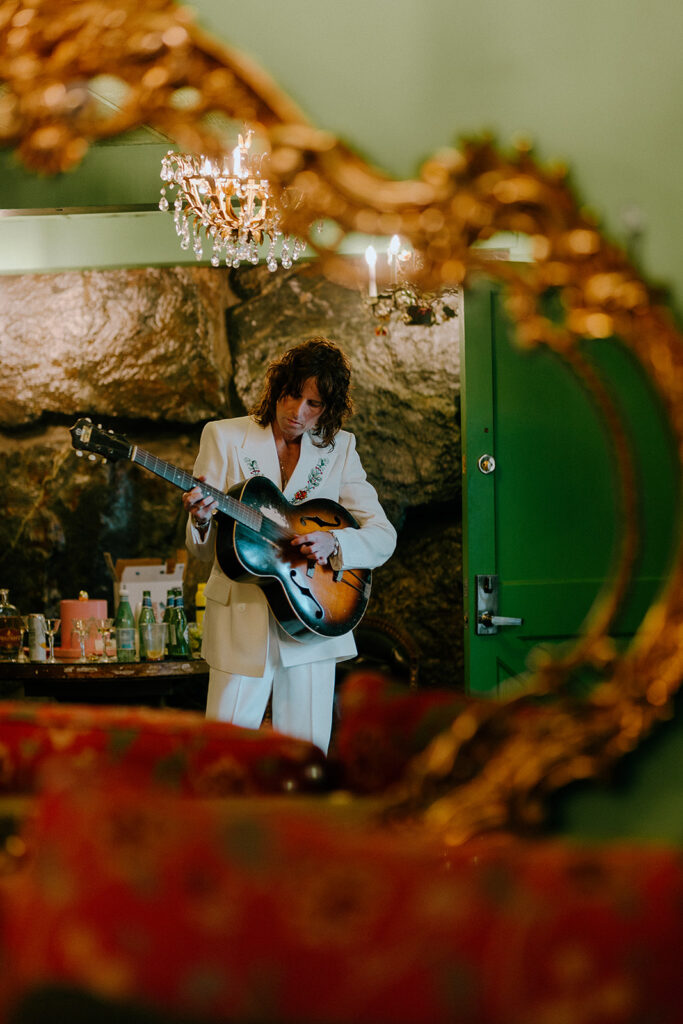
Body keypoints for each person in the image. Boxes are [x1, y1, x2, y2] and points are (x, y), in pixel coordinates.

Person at [182, 337, 396, 753]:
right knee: (221, 755)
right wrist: (201, 519)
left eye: (313, 405)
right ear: (276, 388)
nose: (298, 412)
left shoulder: (340, 449)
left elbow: (382, 534)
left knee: (307, 758)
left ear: (328, 410)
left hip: (315, 619)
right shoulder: (223, 437)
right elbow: (205, 552)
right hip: (240, 622)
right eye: (293, 395)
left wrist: (335, 541)